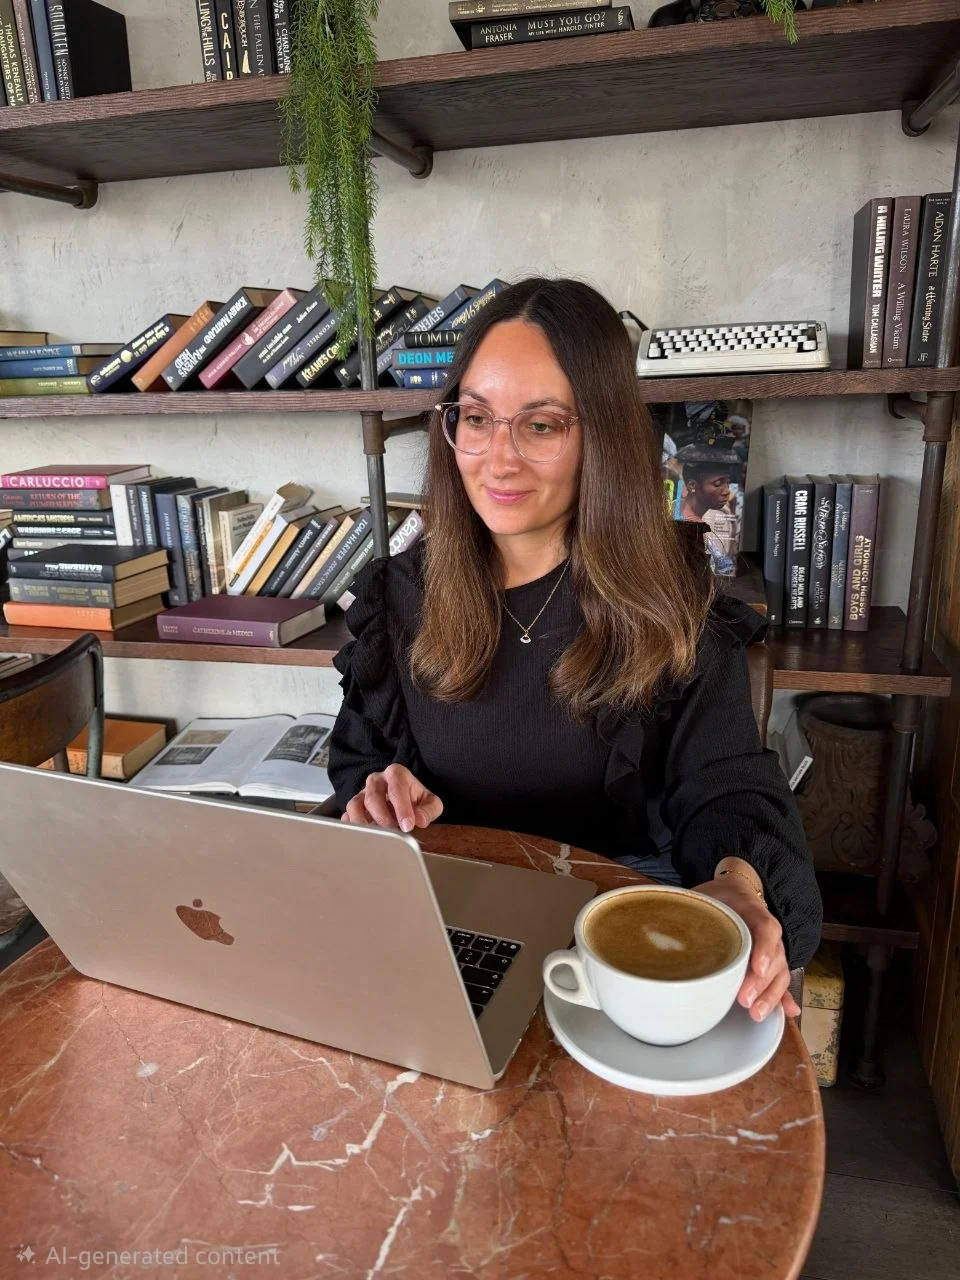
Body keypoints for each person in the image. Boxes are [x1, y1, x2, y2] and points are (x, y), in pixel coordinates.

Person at [329, 278, 822, 1023]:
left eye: (541, 425)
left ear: (602, 436)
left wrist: (738, 882)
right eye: (477, 418)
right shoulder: (399, 595)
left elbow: (725, 783)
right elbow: (360, 763)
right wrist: (378, 795)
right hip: (447, 917)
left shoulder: (669, 594)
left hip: (619, 927)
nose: (498, 460)